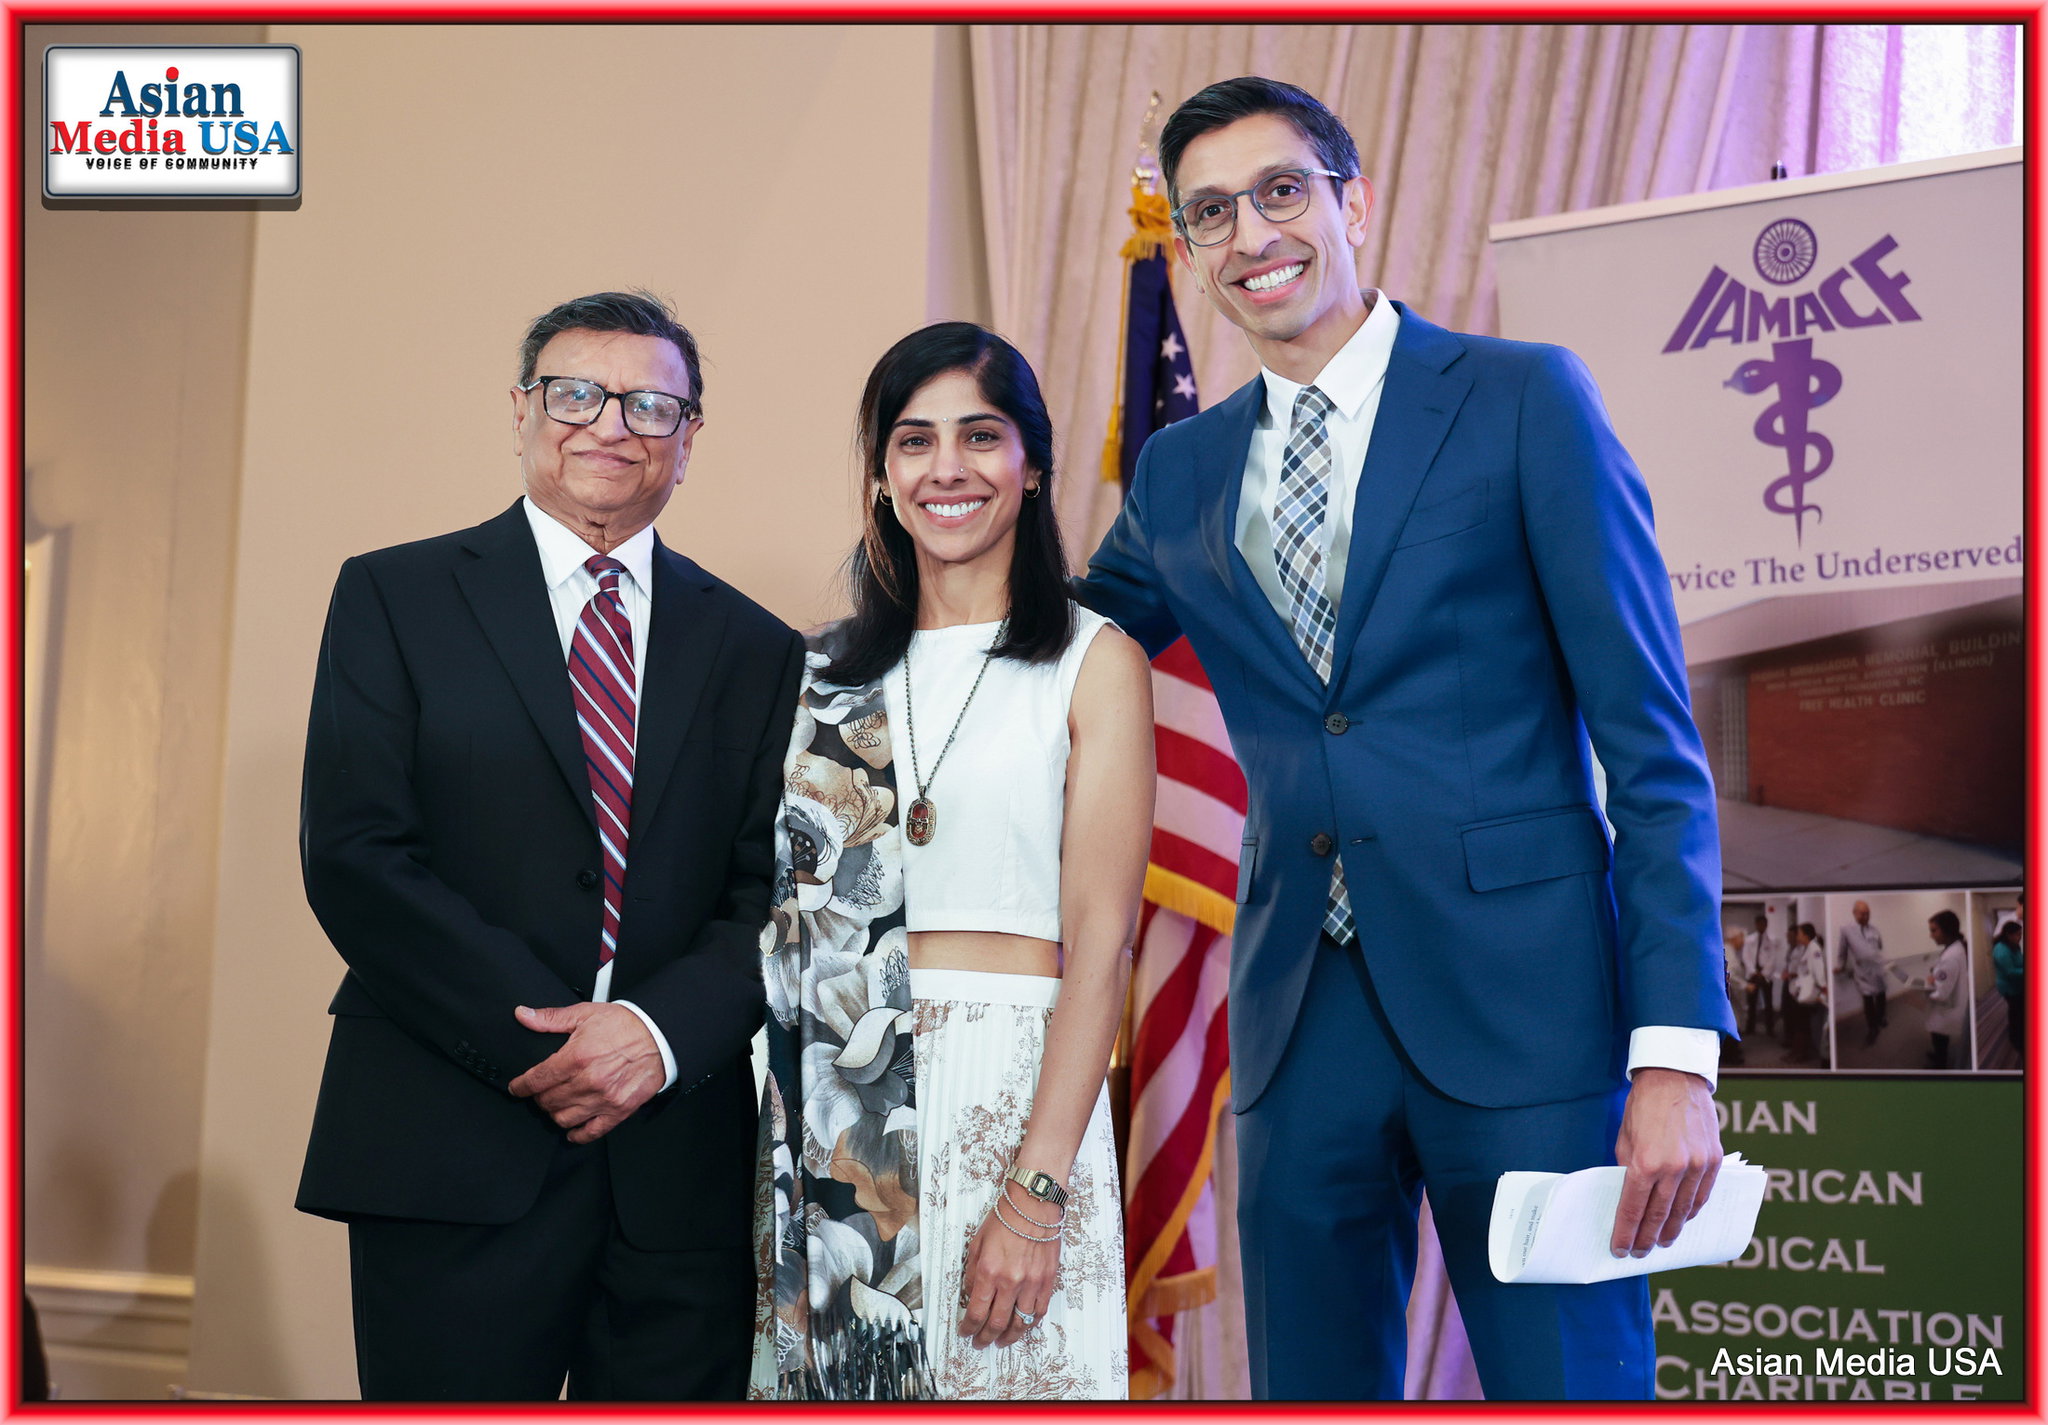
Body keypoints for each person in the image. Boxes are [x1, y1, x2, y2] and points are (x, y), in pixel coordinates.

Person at [1074, 76, 1731, 1401]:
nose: (1251, 235)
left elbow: (1655, 756)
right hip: (1295, 1022)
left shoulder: (1523, 399)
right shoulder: (1179, 470)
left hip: (1529, 1015)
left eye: (1280, 192)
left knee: (1571, 1386)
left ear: (1354, 201)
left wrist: (1674, 1055)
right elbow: (1057, 658)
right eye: (1212, 213)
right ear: (1186, 248)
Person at [297, 291, 804, 1400]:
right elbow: (357, 856)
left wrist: (652, 1037)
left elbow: (773, 895)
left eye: (649, 405)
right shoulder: (394, 595)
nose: (610, 425)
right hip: (449, 1139)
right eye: (576, 394)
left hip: (674, 1168)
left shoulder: (761, 649)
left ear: (688, 439)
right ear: (522, 411)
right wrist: (553, 1044)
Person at [754, 322, 1149, 1400]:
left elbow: (1102, 943)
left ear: (1032, 466)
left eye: (979, 436)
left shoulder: (1093, 660)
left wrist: (1036, 1190)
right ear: (883, 477)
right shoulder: (818, 674)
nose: (947, 469)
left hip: (1014, 1094)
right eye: (914, 441)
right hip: (840, 1097)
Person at [1836, 900, 1888, 1047]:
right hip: (1862, 971)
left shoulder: (1875, 930)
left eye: (1868, 914)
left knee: (1881, 995)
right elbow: (1842, 951)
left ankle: (1881, 1018)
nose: (1866, 917)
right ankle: (1872, 1029)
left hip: (1878, 968)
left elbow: (1879, 946)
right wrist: (1840, 966)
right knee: (1868, 999)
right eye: (1862, 914)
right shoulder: (1846, 930)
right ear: (1854, 913)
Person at [1924, 910, 1970, 1070]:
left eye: (1934, 930)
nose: (1931, 935)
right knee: (1941, 1036)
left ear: (1947, 930)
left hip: (1945, 1008)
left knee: (1939, 1036)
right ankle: (1939, 1056)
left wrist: (1926, 987)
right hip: (1952, 1004)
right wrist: (1936, 972)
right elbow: (1947, 973)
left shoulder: (1951, 956)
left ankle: (1940, 1066)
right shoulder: (1956, 947)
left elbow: (1941, 995)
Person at [1783, 923, 1830, 1066]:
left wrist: (1823, 988)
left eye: (1799, 933)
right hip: (1801, 990)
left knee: (1802, 1023)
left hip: (1809, 993)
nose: (1797, 936)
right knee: (1799, 1022)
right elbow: (1804, 970)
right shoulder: (1806, 948)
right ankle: (1797, 1051)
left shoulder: (1814, 949)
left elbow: (1818, 971)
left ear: (1806, 935)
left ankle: (1801, 1053)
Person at [1747, 913, 1785, 1041]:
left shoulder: (1772, 940)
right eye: (1759, 924)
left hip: (1766, 975)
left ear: (1766, 925)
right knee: (1752, 1003)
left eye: (1763, 924)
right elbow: (1746, 957)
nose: (1761, 926)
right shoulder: (1749, 939)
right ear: (1756, 924)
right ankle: (1750, 1027)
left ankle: (1770, 1028)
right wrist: (1753, 971)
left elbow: (1773, 958)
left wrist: (1763, 973)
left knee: (1768, 1003)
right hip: (1753, 974)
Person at [1991, 919, 2024, 1057]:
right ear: (2009, 935)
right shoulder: (2001, 950)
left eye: (2021, 934)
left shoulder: (2013, 945)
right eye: (2018, 934)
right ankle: (2016, 1040)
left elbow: (2019, 961)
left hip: (2018, 985)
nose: (2020, 937)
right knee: (2016, 1012)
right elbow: (2010, 972)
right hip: (2009, 987)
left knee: (2020, 1011)